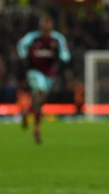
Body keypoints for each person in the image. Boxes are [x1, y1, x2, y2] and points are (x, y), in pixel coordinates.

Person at [16, 14, 71, 143]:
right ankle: (36, 129)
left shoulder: (57, 38)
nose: (46, 28)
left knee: (40, 101)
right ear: (40, 26)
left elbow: (65, 54)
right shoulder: (32, 37)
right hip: (34, 71)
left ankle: (27, 113)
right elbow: (21, 45)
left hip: (50, 73)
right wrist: (24, 57)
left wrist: (63, 56)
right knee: (40, 93)